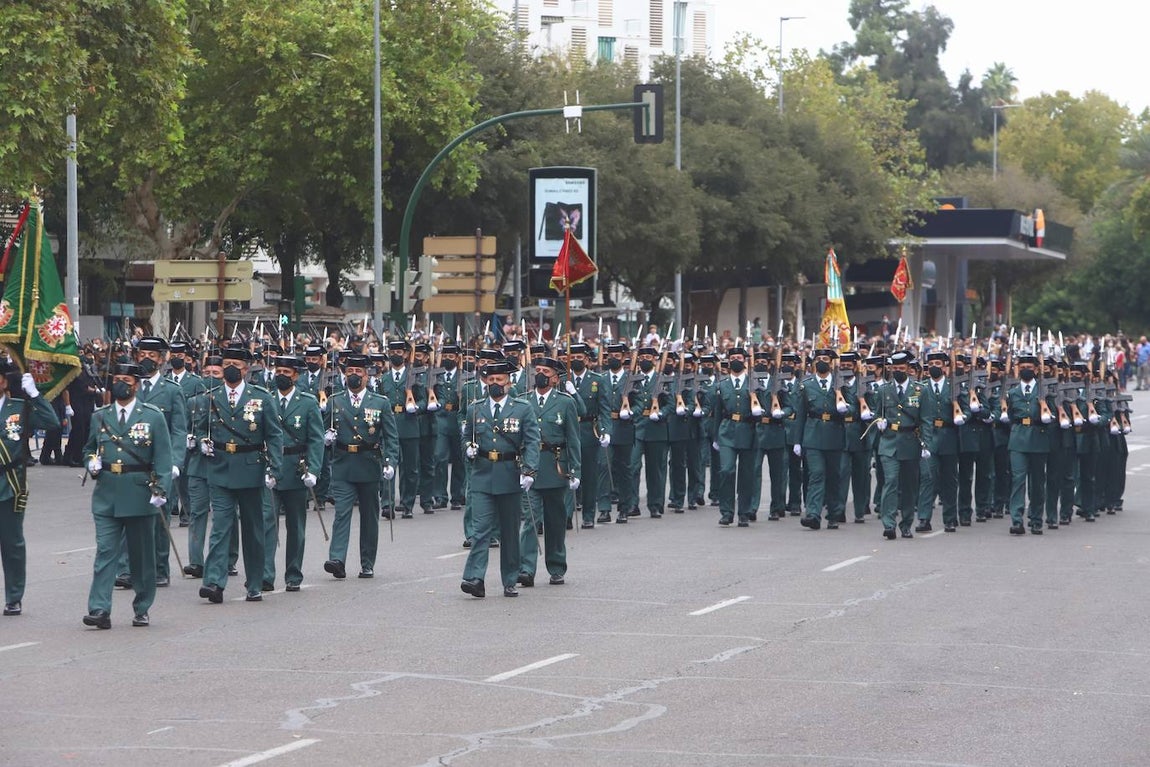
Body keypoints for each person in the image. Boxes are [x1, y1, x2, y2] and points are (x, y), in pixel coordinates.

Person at [82, 363, 173, 628]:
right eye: (117, 379)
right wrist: (91, 462)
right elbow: (89, 448)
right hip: (107, 494)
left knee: (141, 557)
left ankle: (142, 606)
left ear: (136, 385)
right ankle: (99, 609)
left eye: (127, 380)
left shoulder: (152, 416)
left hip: (139, 494)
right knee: (105, 553)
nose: (121, 384)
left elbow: (163, 458)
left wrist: (161, 489)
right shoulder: (100, 416)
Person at [195, 347, 283, 603]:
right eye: (226, 364)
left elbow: (274, 435)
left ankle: (255, 583)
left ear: (246, 369)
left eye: (236, 364)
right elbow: (200, 429)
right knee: (220, 528)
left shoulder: (261, 398)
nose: (230, 368)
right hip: (220, 468)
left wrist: (274, 468)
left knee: (253, 529)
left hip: (251, 468)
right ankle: (214, 582)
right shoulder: (211, 397)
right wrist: (201, 442)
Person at [460, 361, 540, 598]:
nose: (495, 383)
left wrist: (529, 471)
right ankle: (475, 578)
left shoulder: (522, 409)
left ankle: (510, 579)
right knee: (480, 530)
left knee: (509, 532)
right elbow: (466, 436)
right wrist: (468, 448)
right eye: (491, 379)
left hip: (509, 474)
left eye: (500, 380)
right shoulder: (475, 408)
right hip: (482, 474)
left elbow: (532, 442)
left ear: (509, 383)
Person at [322, 354, 399, 579]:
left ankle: (367, 563)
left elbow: (391, 437)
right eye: (349, 372)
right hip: (343, 464)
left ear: (366, 376)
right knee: (341, 513)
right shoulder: (335, 401)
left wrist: (390, 462)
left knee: (369, 517)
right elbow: (323, 431)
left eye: (358, 372)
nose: (353, 376)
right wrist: (326, 438)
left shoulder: (380, 402)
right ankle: (337, 559)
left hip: (369, 464)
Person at [0, 366, 61, 617]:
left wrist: (35, 395)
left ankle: (14, 597)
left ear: (4, 382)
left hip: (9, 483)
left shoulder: (19, 408)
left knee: (12, 544)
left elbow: (51, 423)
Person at [518, 357, 580, 587]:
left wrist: (575, 470)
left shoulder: (565, 403)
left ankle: (556, 566)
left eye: (546, 371)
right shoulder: (523, 401)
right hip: (531, 468)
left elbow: (573, 439)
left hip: (556, 468)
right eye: (538, 370)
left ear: (555, 378)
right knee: (530, 520)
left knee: (555, 522)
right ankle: (526, 569)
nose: (541, 374)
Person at [266, 356, 325, 590]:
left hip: (296, 468)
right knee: (267, 524)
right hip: (271, 468)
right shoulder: (266, 399)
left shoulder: (308, 402)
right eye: (278, 371)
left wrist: (314, 469)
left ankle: (293, 574)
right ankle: (265, 575)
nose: (281, 375)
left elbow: (316, 439)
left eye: (286, 372)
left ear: (296, 376)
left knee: (296, 526)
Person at [874, 350, 924, 539]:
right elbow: (876, 413)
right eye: (895, 368)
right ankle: (888, 524)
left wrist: (926, 444)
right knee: (890, 482)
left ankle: (907, 523)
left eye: (901, 368)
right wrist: (879, 421)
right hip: (889, 442)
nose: (898, 371)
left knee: (909, 486)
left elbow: (925, 419)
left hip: (910, 441)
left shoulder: (919, 390)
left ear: (908, 368)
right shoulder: (884, 390)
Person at [710, 347, 758, 527]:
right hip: (727, 431)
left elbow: (764, 406)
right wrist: (715, 437)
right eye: (733, 358)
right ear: (728, 361)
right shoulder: (722, 385)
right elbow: (717, 413)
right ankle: (727, 512)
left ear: (745, 361)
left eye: (739, 357)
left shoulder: (754, 383)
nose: (736, 360)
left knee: (746, 474)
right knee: (726, 470)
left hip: (748, 431)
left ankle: (744, 512)